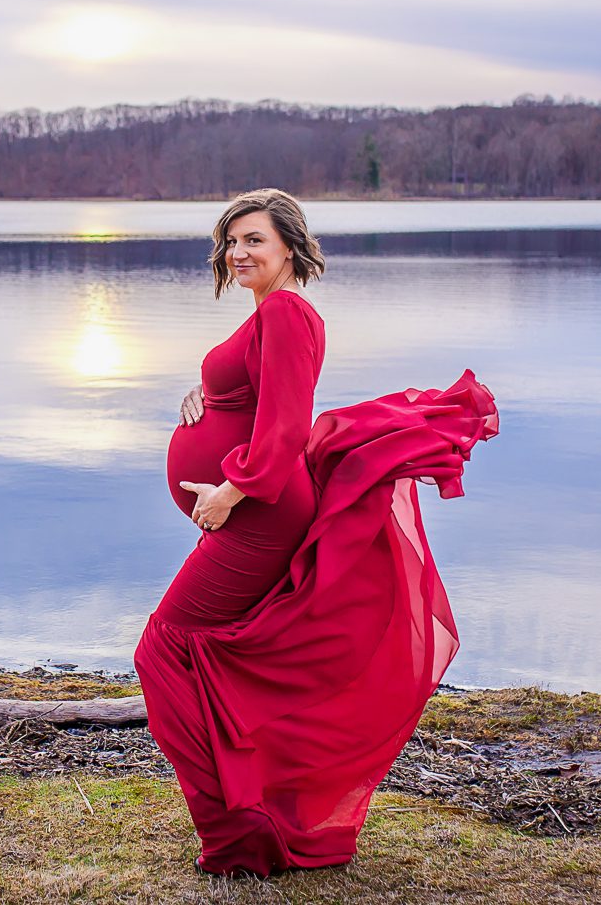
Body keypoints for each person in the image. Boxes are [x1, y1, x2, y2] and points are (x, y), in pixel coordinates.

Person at [134, 188, 498, 877]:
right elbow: (259, 401)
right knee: (222, 657)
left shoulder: (288, 313)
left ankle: (237, 835)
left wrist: (227, 493)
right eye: (230, 241)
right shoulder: (270, 316)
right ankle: (256, 816)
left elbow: (282, 435)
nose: (237, 253)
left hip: (255, 515)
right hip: (250, 512)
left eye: (253, 241)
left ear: (290, 249)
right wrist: (207, 396)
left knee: (164, 650)